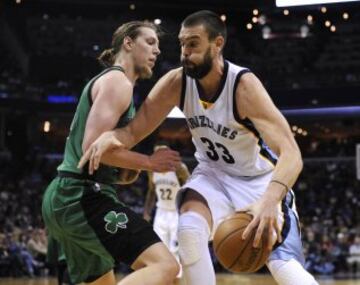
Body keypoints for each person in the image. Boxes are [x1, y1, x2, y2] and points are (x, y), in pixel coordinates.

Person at [78, 11, 318, 285]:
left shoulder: (244, 87)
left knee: (284, 269)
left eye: (193, 44)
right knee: (189, 232)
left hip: (258, 181)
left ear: (217, 44)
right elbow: (135, 130)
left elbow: (292, 154)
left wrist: (270, 199)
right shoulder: (176, 82)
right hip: (212, 174)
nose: (184, 52)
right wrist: (114, 137)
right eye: (182, 44)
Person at [42, 21, 181, 285]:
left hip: (67, 195)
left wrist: (116, 174)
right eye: (150, 42)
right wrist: (149, 162)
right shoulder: (119, 81)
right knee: (166, 267)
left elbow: (91, 155)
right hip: (81, 196)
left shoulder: (110, 82)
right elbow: (92, 147)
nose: (157, 51)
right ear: (128, 43)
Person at [143, 144, 190, 285]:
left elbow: (189, 188)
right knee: (160, 250)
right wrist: (146, 212)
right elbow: (152, 191)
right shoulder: (152, 170)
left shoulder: (179, 169)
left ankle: (177, 281)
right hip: (161, 213)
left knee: (175, 250)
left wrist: (187, 210)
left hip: (176, 212)